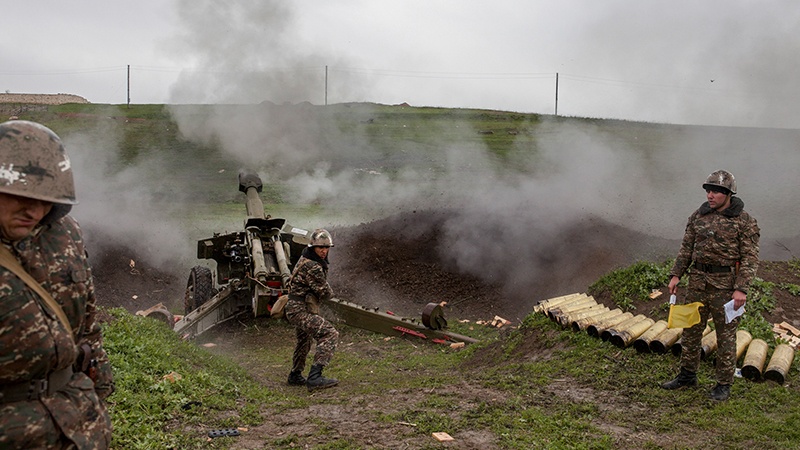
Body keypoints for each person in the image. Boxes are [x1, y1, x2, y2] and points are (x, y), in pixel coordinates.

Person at [0, 120, 113, 448]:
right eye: (21, 195)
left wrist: (100, 394)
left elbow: (88, 323)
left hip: (78, 426)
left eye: (47, 197)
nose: (34, 209)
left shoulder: (65, 235)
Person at [661, 169, 760, 401]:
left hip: (725, 287)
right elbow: (686, 248)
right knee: (690, 330)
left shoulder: (744, 221)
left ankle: (723, 384)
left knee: (726, 336)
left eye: (716, 191)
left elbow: (750, 258)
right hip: (697, 282)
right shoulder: (698, 216)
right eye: (708, 190)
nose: (710, 195)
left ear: (728, 194)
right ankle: (687, 375)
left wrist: (741, 288)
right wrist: (676, 275)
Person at [284, 228, 340, 392]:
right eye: (320, 248)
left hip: (297, 308)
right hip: (300, 310)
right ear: (312, 248)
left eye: (326, 247)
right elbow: (324, 291)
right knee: (330, 334)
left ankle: (295, 374)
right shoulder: (313, 266)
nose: (324, 251)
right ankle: (315, 377)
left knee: (304, 340)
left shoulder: (304, 258)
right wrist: (332, 295)